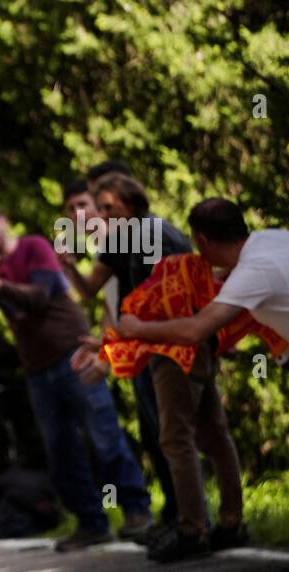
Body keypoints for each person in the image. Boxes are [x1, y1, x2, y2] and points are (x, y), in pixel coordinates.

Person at [118, 199, 289, 572]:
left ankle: (197, 526)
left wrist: (136, 328)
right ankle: (229, 520)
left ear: (202, 241)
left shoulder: (253, 272)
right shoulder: (274, 240)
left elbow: (194, 330)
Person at [0, 201, 153, 550]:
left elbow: (40, 297)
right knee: (60, 449)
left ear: (3, 221)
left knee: (103, 435)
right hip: (36, 368)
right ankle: (92, 522)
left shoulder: (33, 247)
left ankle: (138, 511)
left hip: (72, 352)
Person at [56, 172, 193, 537]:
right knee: (159, 435)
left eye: (102, 206)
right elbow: (99, 297)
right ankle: (180, 520)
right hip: (141, 348)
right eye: (90, 208)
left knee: (179, 435)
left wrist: (114, 347)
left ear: (128, 202)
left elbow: (167, 295)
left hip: (168, 343)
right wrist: (68, 264)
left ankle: (200, 524)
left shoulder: (154, 233)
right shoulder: (118, 241)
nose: (95, 215)